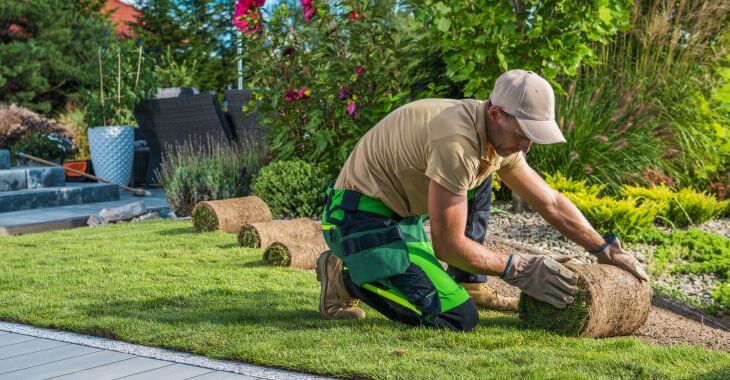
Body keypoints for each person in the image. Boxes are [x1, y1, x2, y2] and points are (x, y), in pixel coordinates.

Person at [316, 69, 648, 331]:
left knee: (484, 173)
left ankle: (466, 281)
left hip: (400, 220)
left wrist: (603, 247)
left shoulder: (495, 140)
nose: (526, 147)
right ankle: (344, 275)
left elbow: (551, 202)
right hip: (357, 220)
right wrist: (515, 266)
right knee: (457, 319)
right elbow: (447, 245)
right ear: (496, 114)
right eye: (522, 135)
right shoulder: (457, 142)